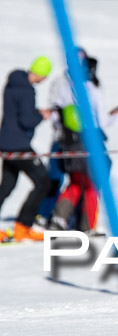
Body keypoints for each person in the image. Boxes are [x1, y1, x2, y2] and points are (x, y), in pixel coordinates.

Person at [45, 49, 118, 233]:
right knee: (93, 184)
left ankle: (59, 218)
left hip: (67, 143)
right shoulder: (93, 90)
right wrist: (113, 116)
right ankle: (86, 226)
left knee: (76, 182)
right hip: (90, 143)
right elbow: (101, 122)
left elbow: (55, 118)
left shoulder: (64, 87)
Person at [0, 56, 53, 242]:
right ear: (40, 73)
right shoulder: (27, 90)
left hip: (6, 143)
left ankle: (24, 225)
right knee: (43, 181)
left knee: (7, 185)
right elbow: (26, 120)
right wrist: (42, 115)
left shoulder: (12, 83)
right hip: (19, 145)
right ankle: (24, 225)